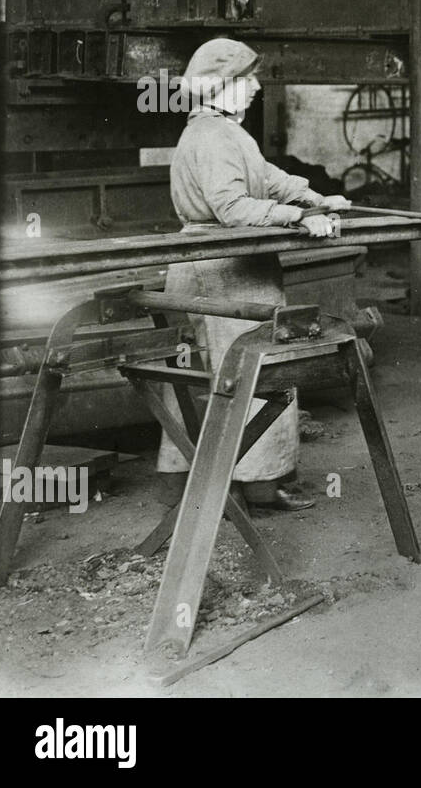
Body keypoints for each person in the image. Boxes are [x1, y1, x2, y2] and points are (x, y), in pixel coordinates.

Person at [156, 37, 351, 509]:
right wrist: (299, 219)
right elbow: (230, 206)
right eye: (247, 79)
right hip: (226, 272)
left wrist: (314, 197)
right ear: (221, 87)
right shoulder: (215, 136)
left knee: (207, 377)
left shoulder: (219, 132)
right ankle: (258, 483)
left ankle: (197, 482)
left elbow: (265, 176)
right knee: (255, 372)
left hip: (211, 269)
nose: (256, 87)